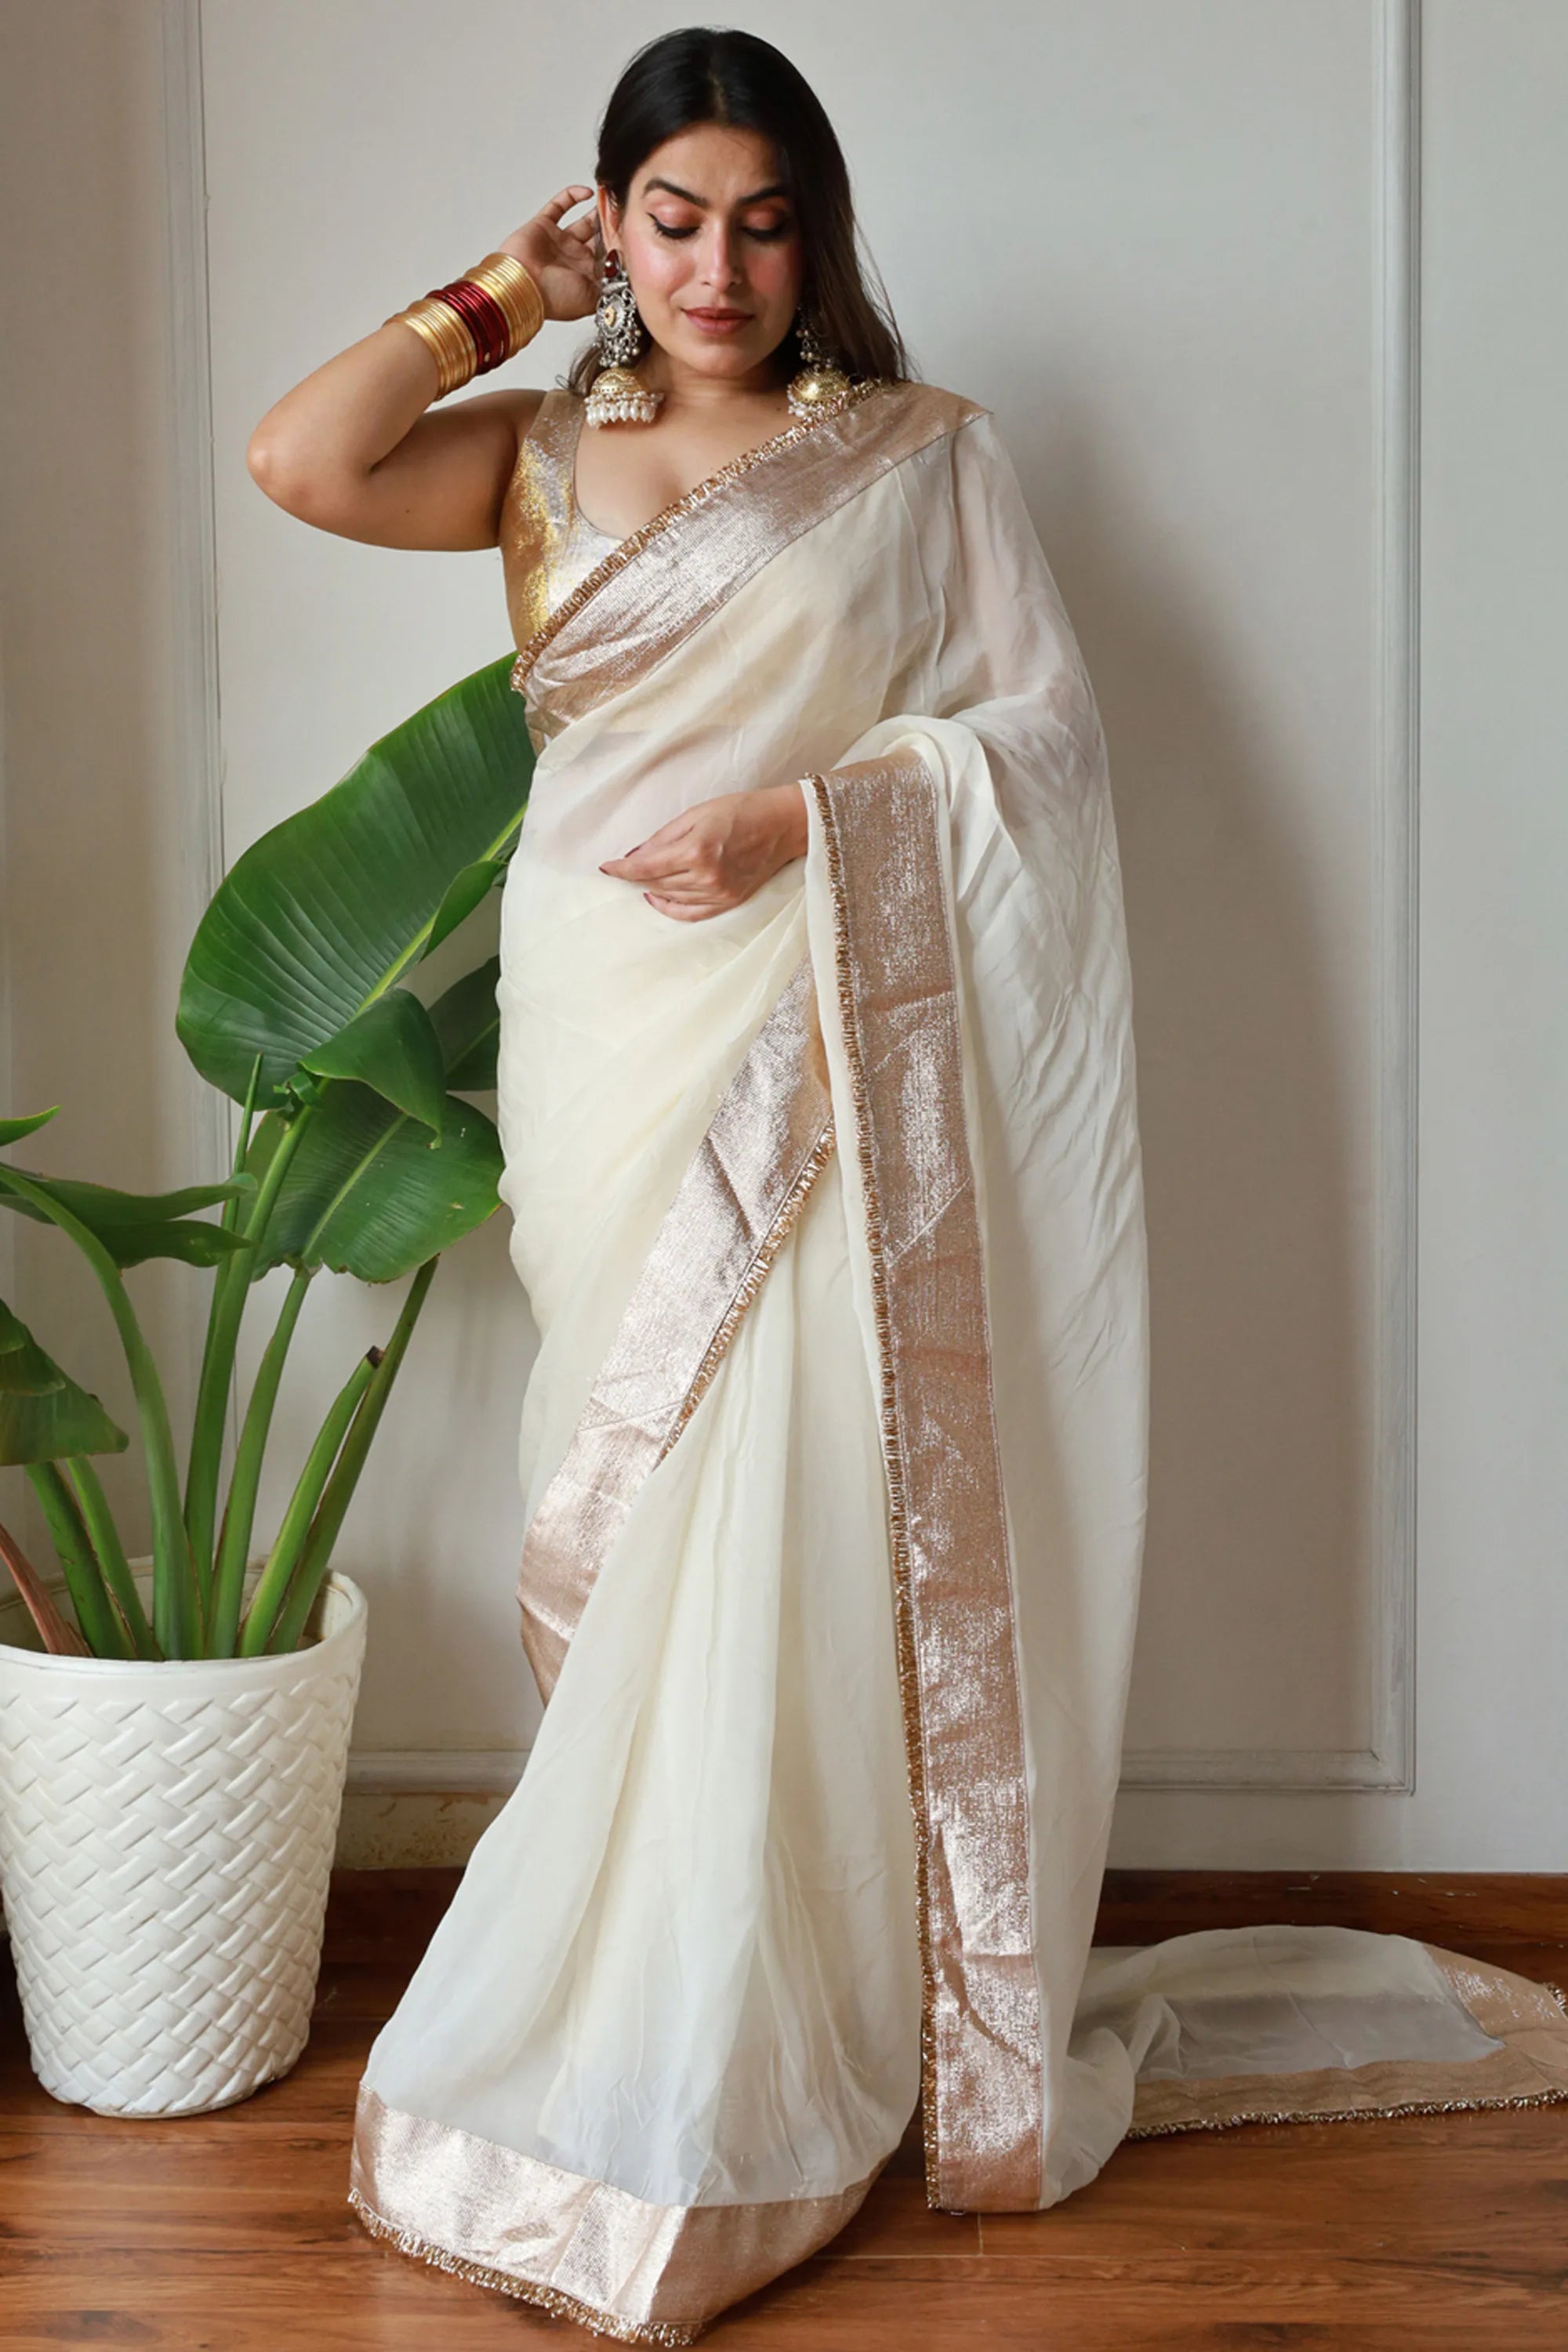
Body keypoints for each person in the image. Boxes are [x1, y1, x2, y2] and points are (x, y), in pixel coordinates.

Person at [245, 26, 1568, 2346]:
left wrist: (807, 821)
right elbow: (299, 458)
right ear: (613, 226)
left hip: (823, 1035)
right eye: (671, 221)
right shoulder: (540, 455)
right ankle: (657, 1989)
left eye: (763, 224)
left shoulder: (921, 458)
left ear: (819, 235)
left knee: (798, 1503)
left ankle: (796, 2019)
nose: (717, 269)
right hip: (607, 1036)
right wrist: (496, 295)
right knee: (641, 1496)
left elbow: (1040, 743)